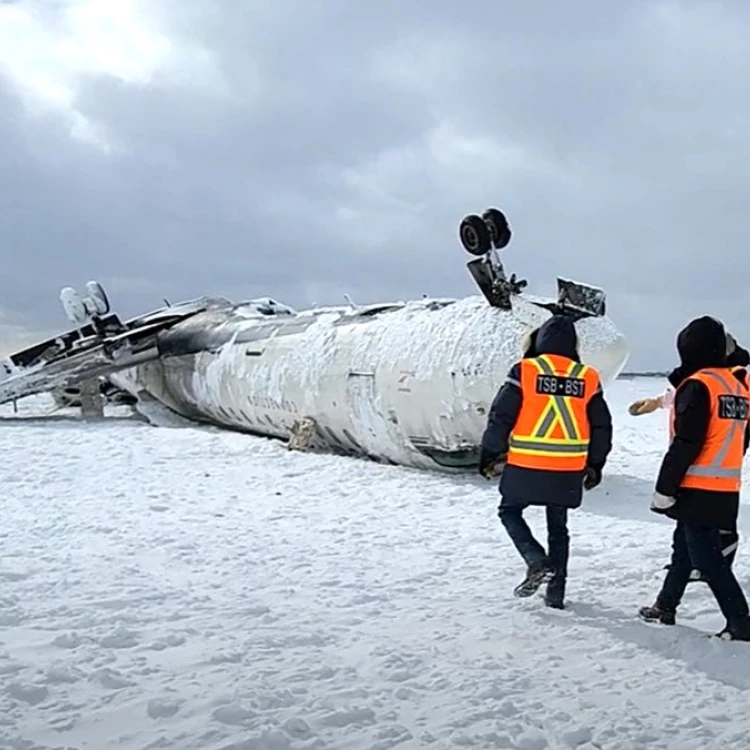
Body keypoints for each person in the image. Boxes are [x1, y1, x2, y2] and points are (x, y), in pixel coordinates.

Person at [479, 315, 613, 609]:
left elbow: (501, 415)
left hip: (526, 464)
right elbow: (602, 425)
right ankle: (556, 594)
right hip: (567, 468)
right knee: (558, 527)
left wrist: (490, 452)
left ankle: (536, 560)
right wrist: (596, 464)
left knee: (509, 511)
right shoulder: (587, 377)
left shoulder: (525, 371)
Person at [638, 316, 750, 640]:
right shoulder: (736, 387)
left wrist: (664, 489)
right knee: (684, 548)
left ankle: (740, 621)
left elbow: (687, 443)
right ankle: (665, 605)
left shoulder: (699, 385)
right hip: (726, 484)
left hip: (697, 485)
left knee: (706, 558)